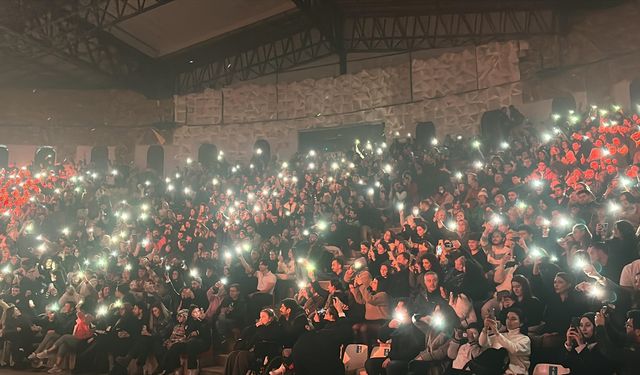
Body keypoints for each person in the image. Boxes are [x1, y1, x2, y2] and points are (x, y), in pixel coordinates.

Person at [364, 299, 424, 375]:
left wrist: (392, 358)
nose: (395, 309)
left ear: (406, 310)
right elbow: (381, 337)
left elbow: (412, 351)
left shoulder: (416, 326)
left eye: (398, 307)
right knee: (370, 363)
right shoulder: (396, 323)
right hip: (393, 358)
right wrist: (388, 327)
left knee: (392, 365)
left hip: (408, 360)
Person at [224, 308, 281, 375]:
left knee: (242, 355)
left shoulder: (275, 326)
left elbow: (265, 336)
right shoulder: (259, 326)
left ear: (270, 319)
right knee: (232, 355)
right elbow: (245, 332)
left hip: (263, 353)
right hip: (252, 350)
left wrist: (260, 327)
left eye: (263, 317)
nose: (261, 319)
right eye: (260, 317)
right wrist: (254, 326)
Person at [479, 308, 530, 375]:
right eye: (507, 318)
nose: (509, 321)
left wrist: (496, 332)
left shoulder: (525, 339)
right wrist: (485, 327)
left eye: (513, 319)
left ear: (521, 323)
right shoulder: (502, 335)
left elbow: (514, 349)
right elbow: (483, 343)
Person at [594, 308, 640, 375]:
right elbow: (618, 337)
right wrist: (606, 322)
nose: (625, 327)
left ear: (638, 332)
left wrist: (600, 326)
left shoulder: (636, 353)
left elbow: (610, 351)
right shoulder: (633, 342)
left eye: (628, 326)